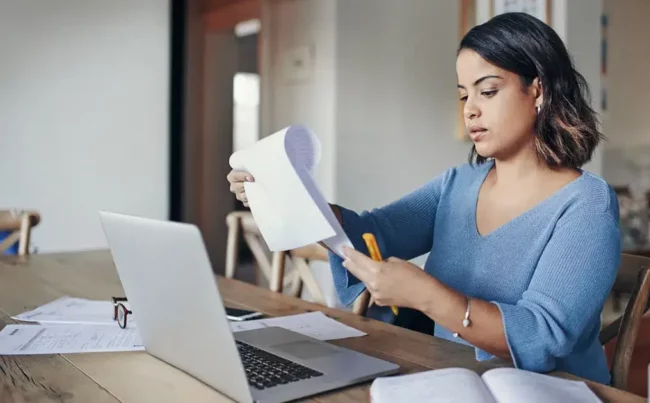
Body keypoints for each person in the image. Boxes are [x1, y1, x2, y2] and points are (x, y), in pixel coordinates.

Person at [227, 12, 621, 385]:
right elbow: (373, 233)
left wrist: (428, 296)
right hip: (448, 380)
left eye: (488, 90)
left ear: (538, 90)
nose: (471, 110)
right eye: (464, 95)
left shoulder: (587, 204)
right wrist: (288, 196)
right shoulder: (458, 185)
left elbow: (543, 335)